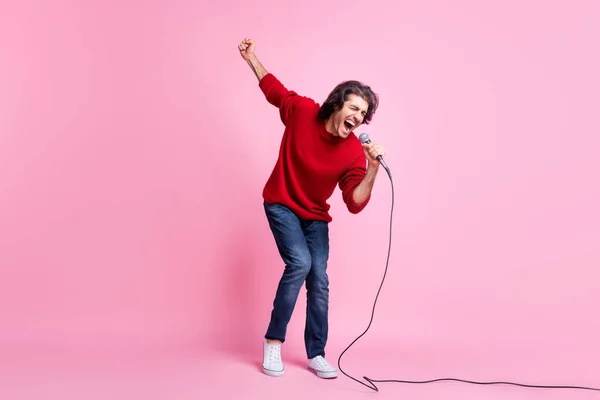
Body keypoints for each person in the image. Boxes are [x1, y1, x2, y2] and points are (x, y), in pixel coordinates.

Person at [238, 37, 386, 379]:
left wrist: (373, 169)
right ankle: (273, 341)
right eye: (354, 108)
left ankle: (316, 353)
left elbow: (354, 203)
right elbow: (274, 90)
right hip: (281, 203)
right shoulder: (303, 111)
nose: (358, 116)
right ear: (337, 104)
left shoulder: (353, 152)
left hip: (314, 216)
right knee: (301, 262)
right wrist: (252, 58)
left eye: (363, 114)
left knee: (319, 278)